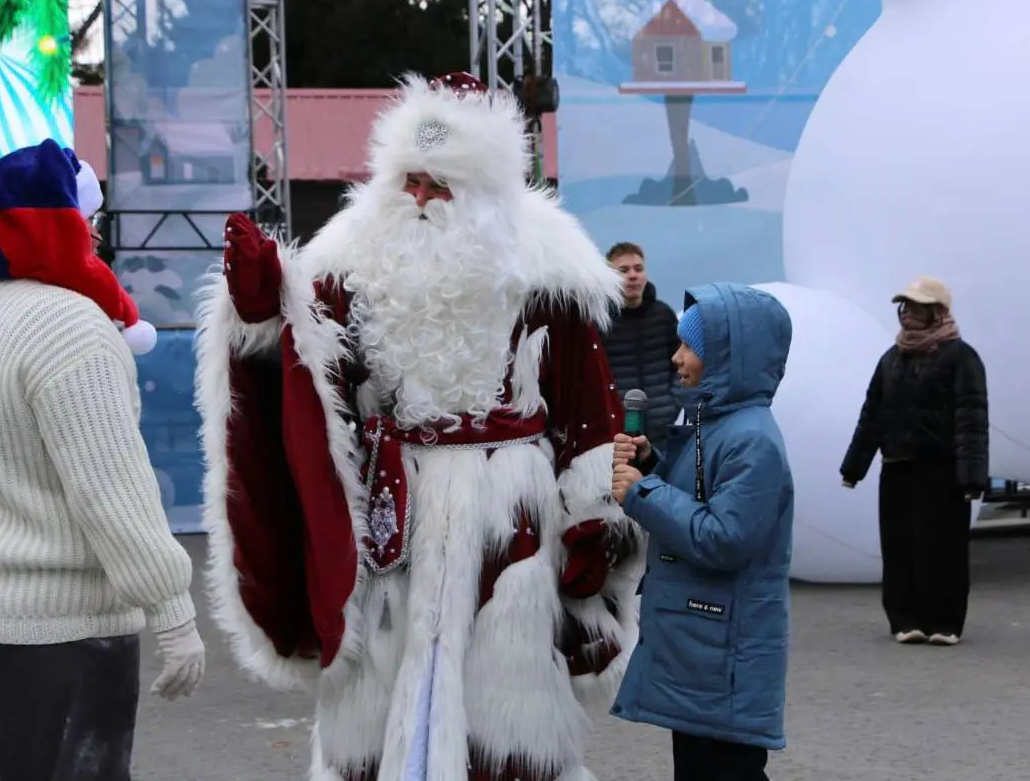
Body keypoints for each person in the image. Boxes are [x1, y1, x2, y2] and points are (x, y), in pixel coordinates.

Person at [194, 72, 645, 781]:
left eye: (442, 183)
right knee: (376, 696)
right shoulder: (344, 260)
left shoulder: (547, 269)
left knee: (504, 715)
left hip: (510, 519)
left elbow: (589, 413)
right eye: (409, 179)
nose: (422, 197)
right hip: (389, 517)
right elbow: (309, 390)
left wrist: (594, 517)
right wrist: (257, 317)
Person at [0, 139, 206, 780]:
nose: (99, 238)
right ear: (63, 222)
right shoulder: (72, 327)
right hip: (65, 627)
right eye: (92, 221)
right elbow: (112, 489)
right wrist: (172, 612)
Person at [610, 282, 794, 781]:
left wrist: (642, 494)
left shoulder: (752, 439)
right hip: (702, 646)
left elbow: (724, 538)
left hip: (723, 650)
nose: (676, 358)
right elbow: (699, 498)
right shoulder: (716, 422)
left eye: (689, 347)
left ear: (729, 358)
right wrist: (650, 467)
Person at [840, 276, 988, 647]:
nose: (907, 315)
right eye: (905, 307)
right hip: (897, 467)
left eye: (917, 307)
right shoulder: (891, 359)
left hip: (943, 471)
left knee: (944, 547)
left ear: (937, 312)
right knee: (899, 546)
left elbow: (971, 420)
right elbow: (871, 415)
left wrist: (972, 477)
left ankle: (945, 622)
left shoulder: (961, 357)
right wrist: (853, 468)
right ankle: (905, 619)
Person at [600, 242, 680, 437]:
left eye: (638, 268)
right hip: (617, 434)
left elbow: (681, 364)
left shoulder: (664, 315)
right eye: (623, 270)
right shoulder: (599, 322)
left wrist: (674, 404)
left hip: (663, 429)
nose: (633, 275)